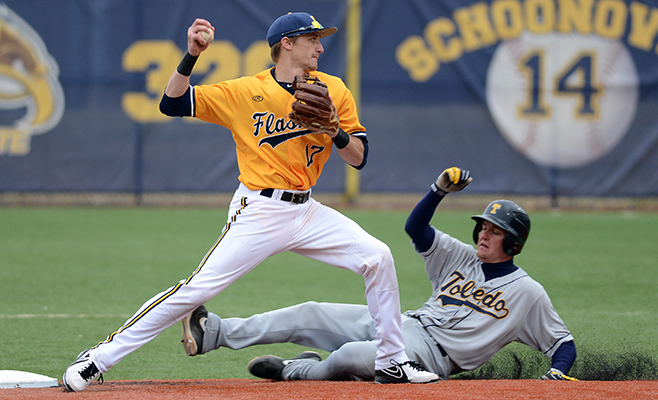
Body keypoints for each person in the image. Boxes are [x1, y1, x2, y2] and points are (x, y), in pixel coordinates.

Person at [62, 12, 438, 392]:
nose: (321, 47)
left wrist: (335, 130)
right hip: (260, 210)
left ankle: (392, 361)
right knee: (196, 290)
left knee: (378, 257)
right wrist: (192, 54)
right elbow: (171, 104)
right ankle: (97, 358)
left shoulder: (334, 90)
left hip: (307, 210)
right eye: (312, 40)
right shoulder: (245, 91)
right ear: (286, 43)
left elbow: (359, 158)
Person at [180, 167, 578, 382]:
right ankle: (214, 333)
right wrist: (436, 192)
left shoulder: (528, 293)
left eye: (495, 231)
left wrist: (557, 374)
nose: (485, 234)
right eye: (484, 227)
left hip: (429, 358)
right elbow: (416, 231)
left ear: (514, 243)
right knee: (310, 311)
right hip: (403, 324)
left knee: (348, 357)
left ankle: (294, 371)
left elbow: (563, 343)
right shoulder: (462, 256)